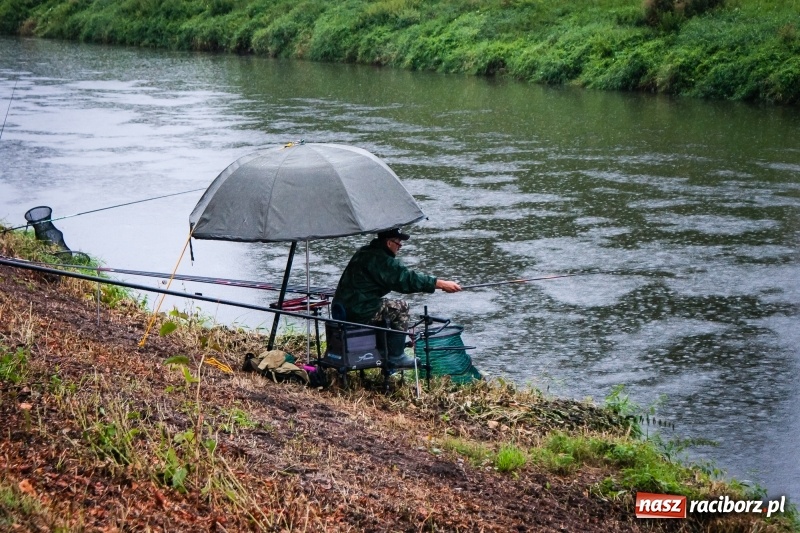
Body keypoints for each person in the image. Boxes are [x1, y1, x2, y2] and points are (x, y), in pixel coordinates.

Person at [332, 228, 461, 367]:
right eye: (398, 242)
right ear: (389, 243)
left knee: (385, 306)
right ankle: (396, 356)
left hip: (342, 307)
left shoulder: (365, 252)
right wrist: (440, 284)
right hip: (358, 309)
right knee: (401, 306)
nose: (400, 246)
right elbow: (407, 280)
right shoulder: (383, 260)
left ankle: (382, 348)